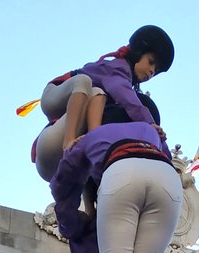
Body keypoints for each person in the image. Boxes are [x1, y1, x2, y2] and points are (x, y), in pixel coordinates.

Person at [51, 118, 181, 253]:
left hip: (120, 171)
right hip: (167, 177)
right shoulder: (148, 129)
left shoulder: (90, 136)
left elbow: (60, 182)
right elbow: (165, 153)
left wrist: (68, 217)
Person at [33, 26, 174, 182]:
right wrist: (149, 122)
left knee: (97, 95)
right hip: (56, 93)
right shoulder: (117, 70)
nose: (151, 71)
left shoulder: (114, 86)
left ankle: (94, 148)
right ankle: (69, 140)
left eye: (155, 70)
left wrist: (167, 157)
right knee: (84, 82)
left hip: (80, 105)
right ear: (139, 53)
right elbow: (126, 97)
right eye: (151, 62)